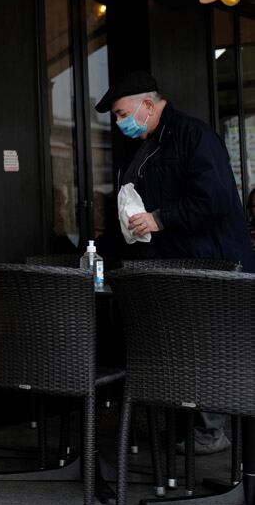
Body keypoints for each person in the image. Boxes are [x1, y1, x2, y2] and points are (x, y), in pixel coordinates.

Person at [97, 70, 255, 455]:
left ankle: (210, 431)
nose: (120, 124)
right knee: (185, 349)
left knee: (209, 348)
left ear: (147, 105)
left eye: (121, 114)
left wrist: (159, 218)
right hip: (175, 268)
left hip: (215, 266)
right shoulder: (147, 146)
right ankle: (186, 428)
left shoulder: (193, 136)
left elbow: (214, 199)